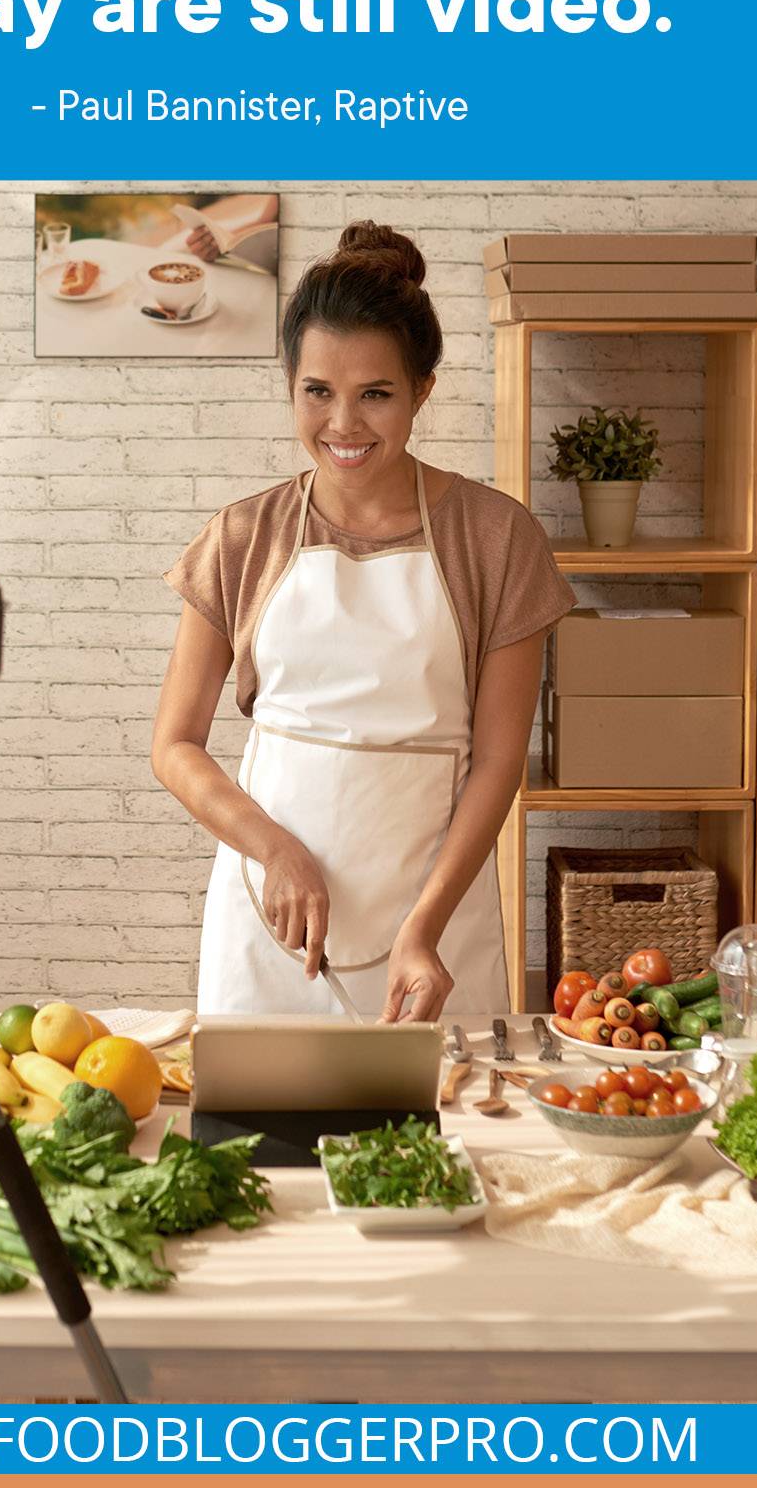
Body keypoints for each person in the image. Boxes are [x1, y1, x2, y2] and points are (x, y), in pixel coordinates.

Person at [152, 222, 576, 1021]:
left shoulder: (496, 538)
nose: (342, 425)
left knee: (440, 1139)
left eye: (375, 394)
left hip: (436, 927)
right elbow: (174, 746)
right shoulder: (244, 537)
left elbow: (497, 762)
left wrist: (424, 927)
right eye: (318, 391)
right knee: (256, 1140)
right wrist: (273, 849)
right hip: (268, 916)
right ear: (290, 385)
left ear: (423, 390)